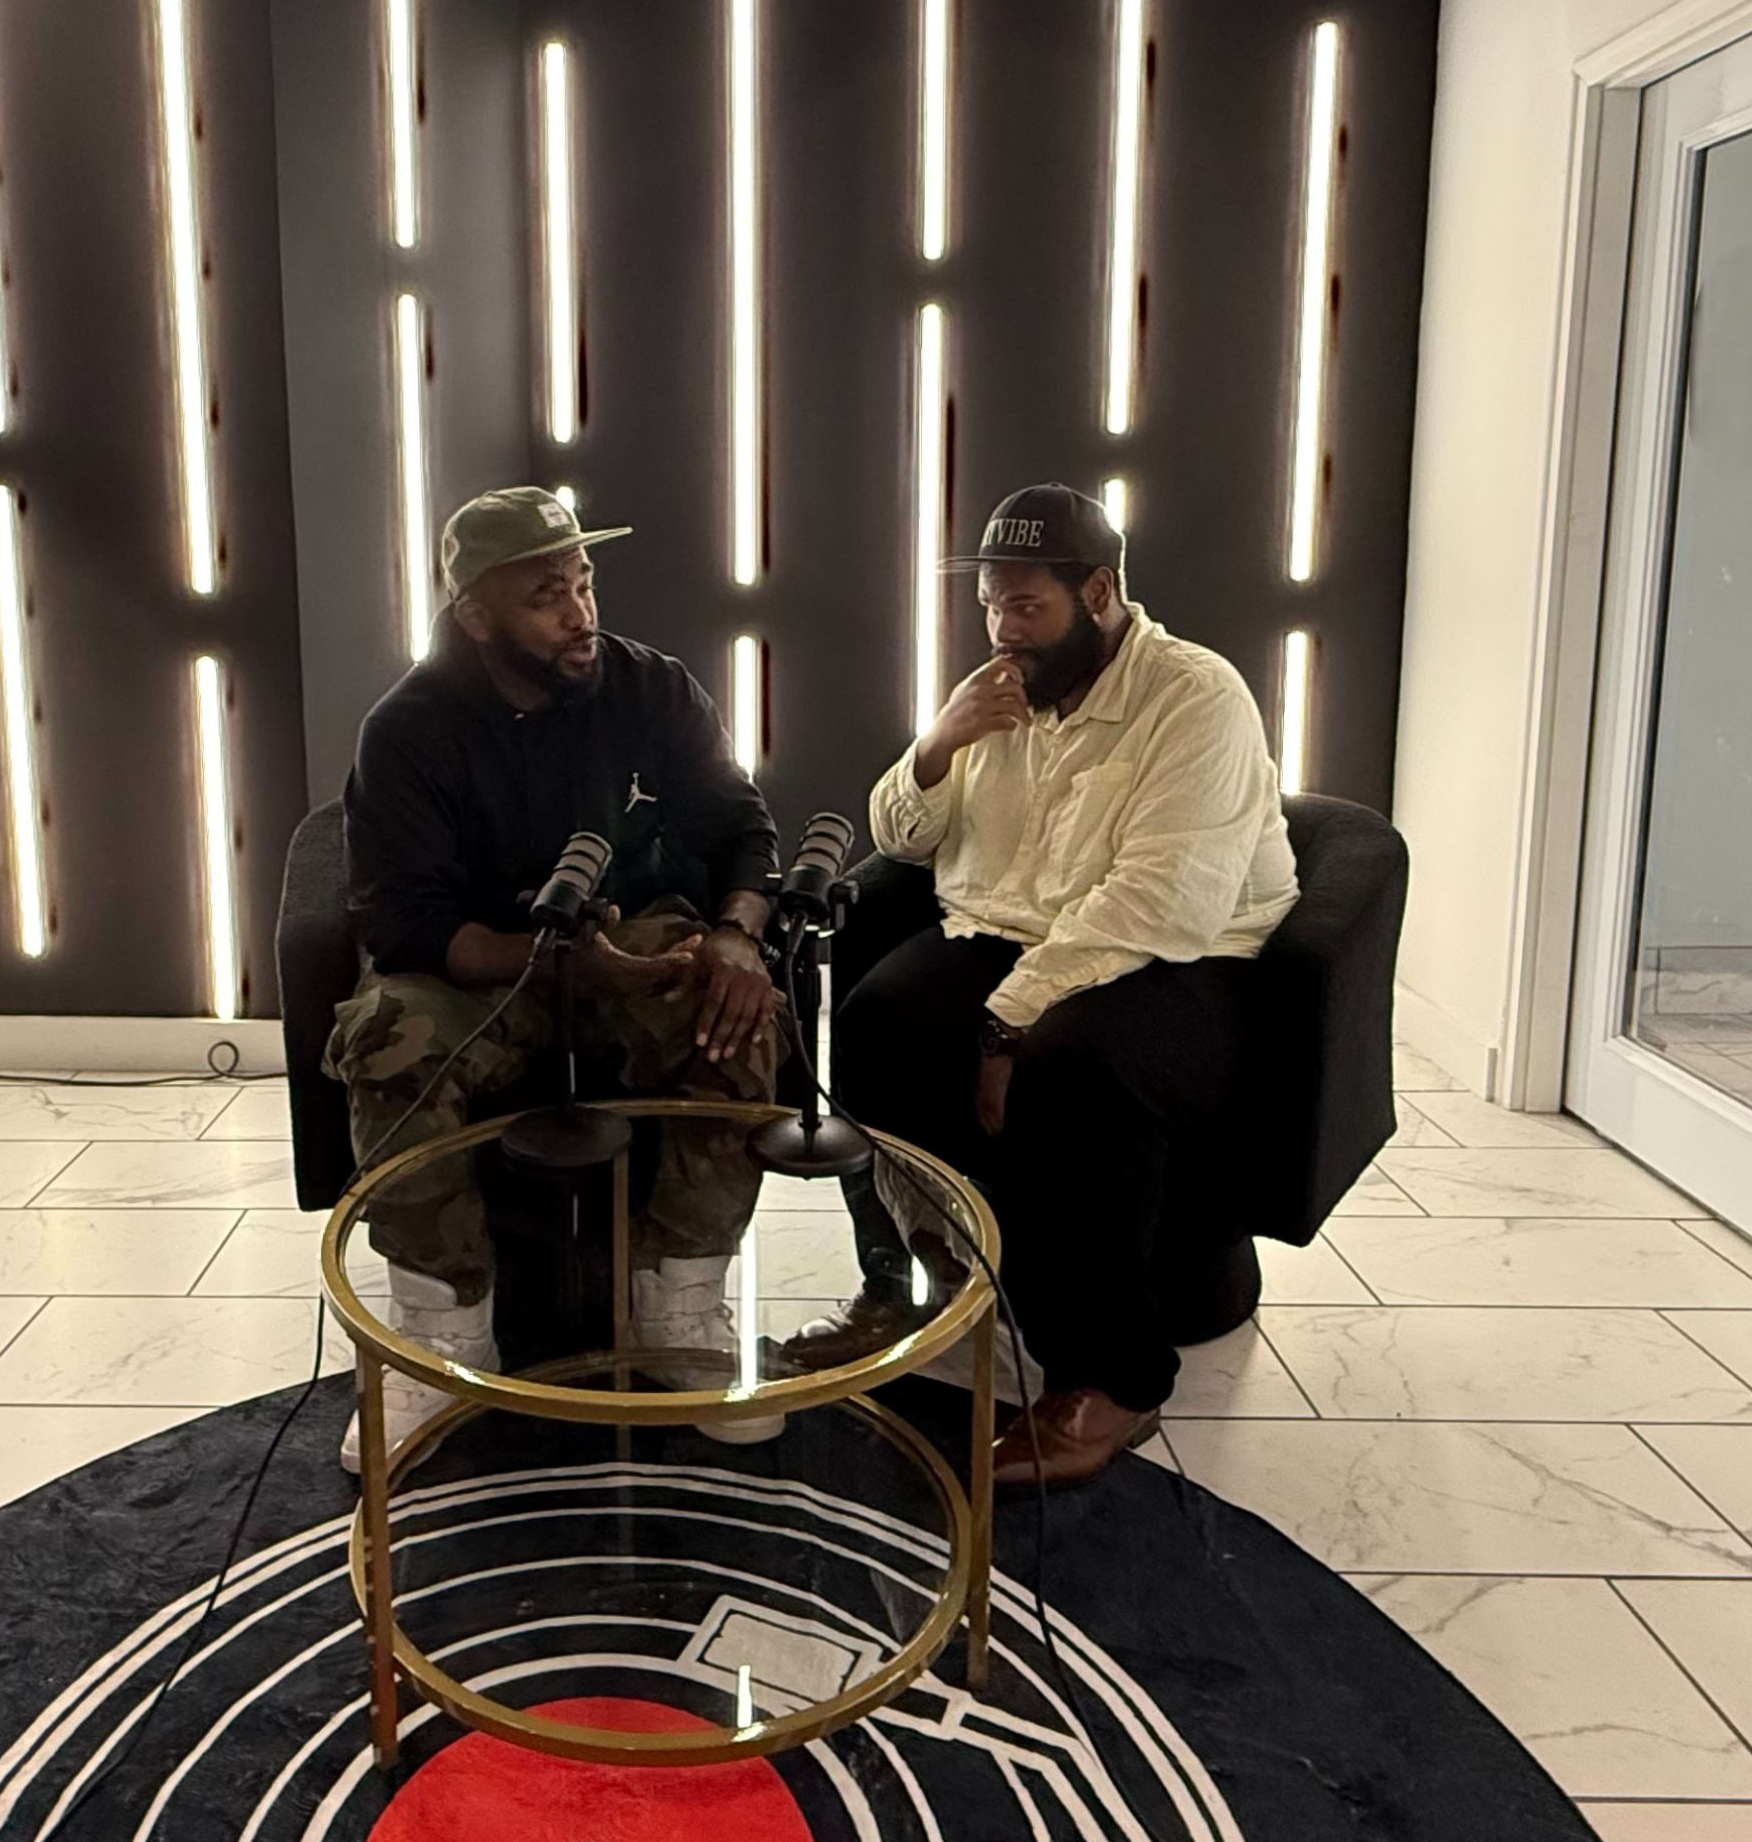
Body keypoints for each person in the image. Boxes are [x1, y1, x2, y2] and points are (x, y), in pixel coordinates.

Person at [811, 484, 1297, 1488]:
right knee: (877, 1024)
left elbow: (1160, 899)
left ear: (1100, 593)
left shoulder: (1195, 697)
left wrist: (1007, 1025)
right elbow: (902, 838)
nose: (1002, 628)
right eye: (990, 604)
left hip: (1181, 955)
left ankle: (1112, 1378)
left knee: (1070, 1070)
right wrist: (939, 743)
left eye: (1026, 606)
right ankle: (934, 1273)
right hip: (1021, 929)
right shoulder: (1000, 689)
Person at [326, 488, 784, 1471]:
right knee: (392, 1037)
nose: (580, 614)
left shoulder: (652, 688)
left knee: (735, 1017)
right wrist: (554, 958)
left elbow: (744, 831)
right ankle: (441, 1339)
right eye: (546, 597)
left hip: (635, 939)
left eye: (583, 584)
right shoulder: (407, 729)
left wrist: (738, 938)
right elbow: (403, 924)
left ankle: (678, 1309)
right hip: (479, 960)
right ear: (474, 615)